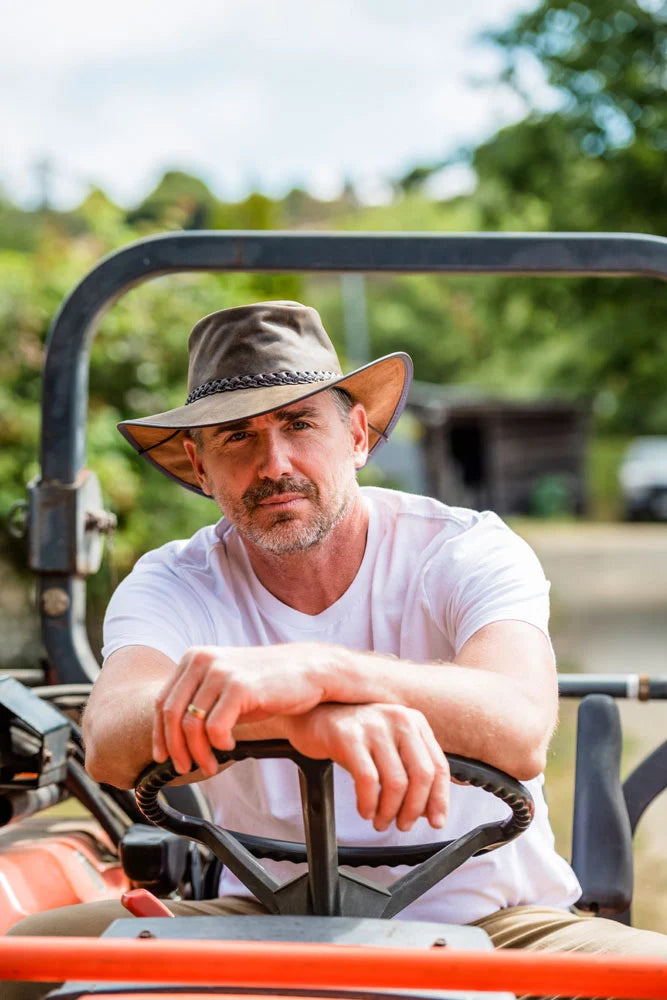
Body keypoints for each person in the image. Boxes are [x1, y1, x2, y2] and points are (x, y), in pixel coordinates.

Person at [7, 301, 666, 1000]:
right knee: (21, 960)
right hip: (260, 920)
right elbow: (111, 739)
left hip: (493, 922)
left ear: (355, 434)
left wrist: (321, 671)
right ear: (198, 466)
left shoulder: (465, 548)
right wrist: (306, 722)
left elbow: (518, 724)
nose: (275, 463)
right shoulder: (176, 579)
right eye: (237, 437)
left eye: (298, 424)